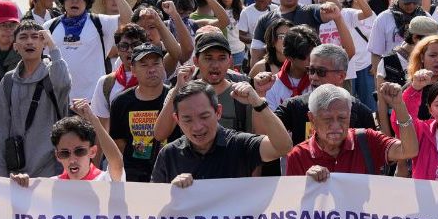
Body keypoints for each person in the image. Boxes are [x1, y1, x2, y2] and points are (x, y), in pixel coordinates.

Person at [152, 80, 292, 184]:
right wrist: (171, 192)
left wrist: (258, 103)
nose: (197, 127)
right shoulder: (169, 155)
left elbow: (283, 147)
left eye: (204, 116)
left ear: (218, 112)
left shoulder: (240, 145)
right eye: (187, 119)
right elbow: (153, 209)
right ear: (176, 119)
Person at [288, 83, 419, 179]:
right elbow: (291, 205)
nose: (335, 126)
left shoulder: (367, 140)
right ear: (312, 119)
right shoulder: (298, 156)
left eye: (342, 118)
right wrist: (306, 183)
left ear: (350, 115)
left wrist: (399, 105)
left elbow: (409, 151)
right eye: (327, 119)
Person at [0, 20, 71, 177]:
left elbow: (63, 83)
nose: (29, 41)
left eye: (35, 37)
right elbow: (2, 127)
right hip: (17, 168)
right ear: (15, 46)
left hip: (51, 167)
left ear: (43, 43)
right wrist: (2, 169)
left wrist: (53, 47)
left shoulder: (53, 73)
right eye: (23, 37)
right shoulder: (8, 81)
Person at [47, 0, 131, 102]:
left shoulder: (100, 22)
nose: (74, 1)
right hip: (58, 100)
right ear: (63, 1)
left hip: (94, 99)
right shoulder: (49, 26)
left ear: (87, 1)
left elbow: (128, 19)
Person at [276, 44, 375, 147]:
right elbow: (264, 133)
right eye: (311, 70)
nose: (314, 77)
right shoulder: (293, 107)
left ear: (341, 76)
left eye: (320, 72)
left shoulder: (361, 113)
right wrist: (261, 95)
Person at [11, 100, 124, 184]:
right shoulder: (50, 187)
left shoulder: (104, 180)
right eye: (64, 153)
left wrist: (94, 120)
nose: (72, 159)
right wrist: (21, 186)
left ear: (93, 151)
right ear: (57, 156)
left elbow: (117, 163)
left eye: (79, 151)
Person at [109, 43, 170, 182]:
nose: (151, 70)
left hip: (171, 173)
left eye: (156, 64)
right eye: (144, 65)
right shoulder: (120, 102)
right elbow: (118, 143)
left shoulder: (176, 97)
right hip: (134, 178)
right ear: (133, 70)